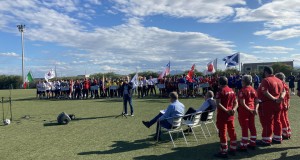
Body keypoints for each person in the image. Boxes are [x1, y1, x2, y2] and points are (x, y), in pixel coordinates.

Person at [257, 66, 285, 146]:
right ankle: (278, 138)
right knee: (277, 121)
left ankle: (266, 140)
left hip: (268, 104)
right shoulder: (279, 80)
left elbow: (265, 92)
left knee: (267, 122)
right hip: (278, 104)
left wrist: (274, 99)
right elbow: (284, 91)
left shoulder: (266, 80)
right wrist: (280, 98)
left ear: (266, 72)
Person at [214, 76, 238, 158]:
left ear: (219, 83)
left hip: (222, 115)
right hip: (230, 115)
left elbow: (218, 104)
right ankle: (233, 148)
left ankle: (224, 151)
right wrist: (234, 109)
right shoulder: (231, 90)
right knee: (232, 131)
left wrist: (226, 110)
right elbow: (236, 102)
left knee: (223, 133)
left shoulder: (220, 91)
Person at [237, 75, 259, 152]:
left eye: (242, 80)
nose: (241, 81)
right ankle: (253, 143)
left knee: (244, 128)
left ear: (244, 81)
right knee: (252, 126)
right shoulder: (253, 89)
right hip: (252, 110)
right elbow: (257, 101)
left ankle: (244, 145)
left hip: (244, 111)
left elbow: (242, 103)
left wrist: (249, 109)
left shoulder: (242, 90)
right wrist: (255, 109)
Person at [275, 72, 291, 140]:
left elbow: (284, 96)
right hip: (285, 103)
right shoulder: (286, 85)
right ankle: (288, 132)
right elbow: (288, 97)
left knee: (282, 119)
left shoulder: (281, 85)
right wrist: (288, 104)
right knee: (285, 119)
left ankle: (285, 133)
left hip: (282, 103)